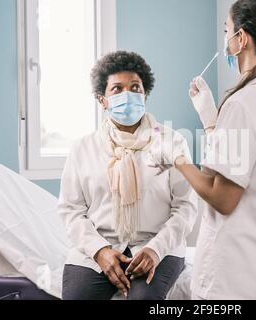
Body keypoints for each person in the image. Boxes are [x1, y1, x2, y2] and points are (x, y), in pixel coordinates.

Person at [151, 0, 256, 300]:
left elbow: (223, 197)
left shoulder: (244, 102)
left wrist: (177, 157)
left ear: (241, 39)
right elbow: (248, 166)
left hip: (238, 276)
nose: (224, 39)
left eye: (227, 30)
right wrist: (211, 119)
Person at [59, 51, 197, 300]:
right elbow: (71, 210)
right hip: (98, 247)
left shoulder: (172, 142)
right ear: (102, 99)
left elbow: (186, 207)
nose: (128, 95)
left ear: (145, 94)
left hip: (157, 247)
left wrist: (156, 249)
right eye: (117, 89)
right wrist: (100, 250)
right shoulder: (83, 149)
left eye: (135, 87)